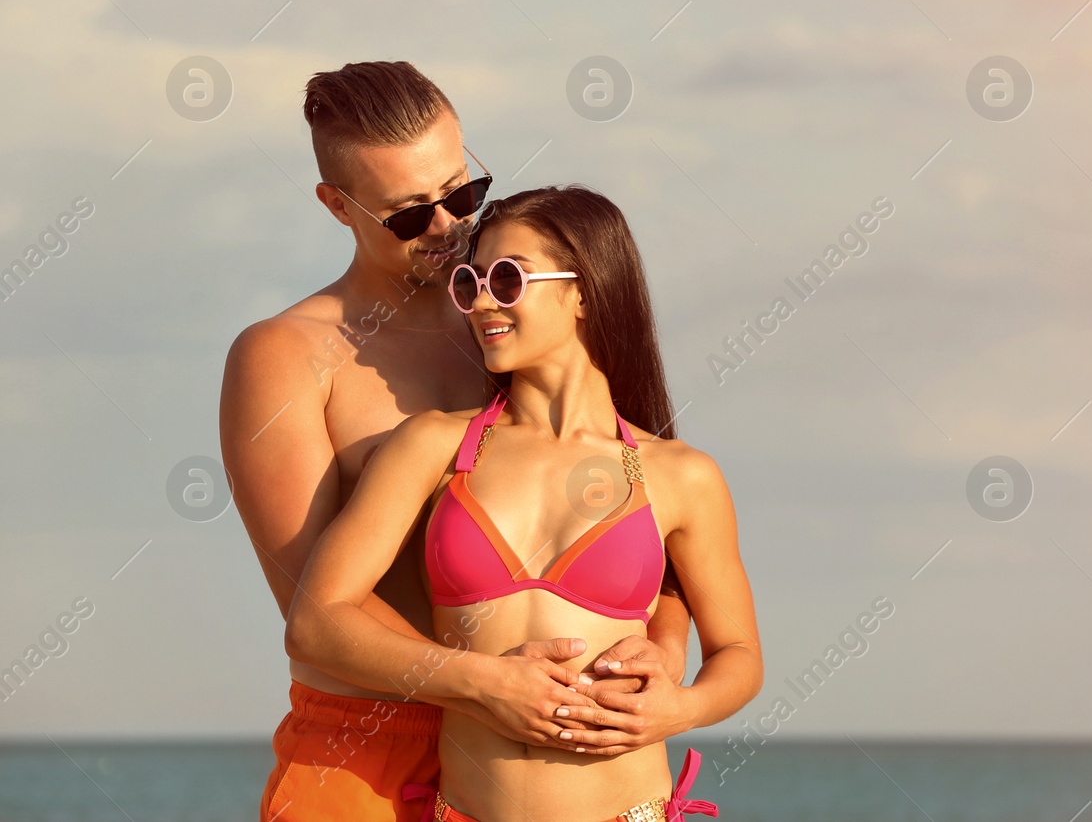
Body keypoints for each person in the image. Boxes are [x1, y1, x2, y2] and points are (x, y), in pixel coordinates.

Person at [220, 62, 694, 822]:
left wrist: (663, 656)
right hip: (367, 753)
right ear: (336, 206)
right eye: (410, 215)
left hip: (539, 750)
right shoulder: (285, 357)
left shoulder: (516, 324)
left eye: (462, 193)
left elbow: (660, 529)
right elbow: (313, 607)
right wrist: (483, 682)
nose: (449, 228)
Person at [286, 185, 762, 822]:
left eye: (507, 279)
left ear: (585, 290)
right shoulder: (432, 445)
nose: (482, 301)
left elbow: (738, 653)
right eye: (470, 282)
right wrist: (482, 682)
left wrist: (681, 708)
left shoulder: (680, 474)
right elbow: (316, 623)